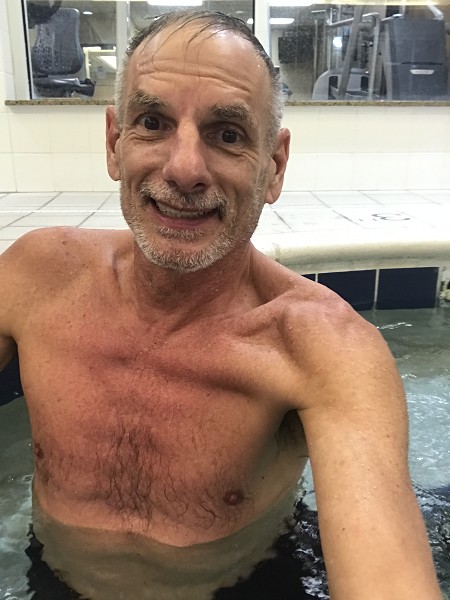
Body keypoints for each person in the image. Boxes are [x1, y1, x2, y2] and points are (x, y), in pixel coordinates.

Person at [0, 9, 443, 600]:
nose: (184, 169)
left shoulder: (323, 349)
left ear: (273, 167)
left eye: (228, 134)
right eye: (152, 123)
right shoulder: (35, 278)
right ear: (114, 143)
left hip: (245, 584)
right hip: (52, 578)